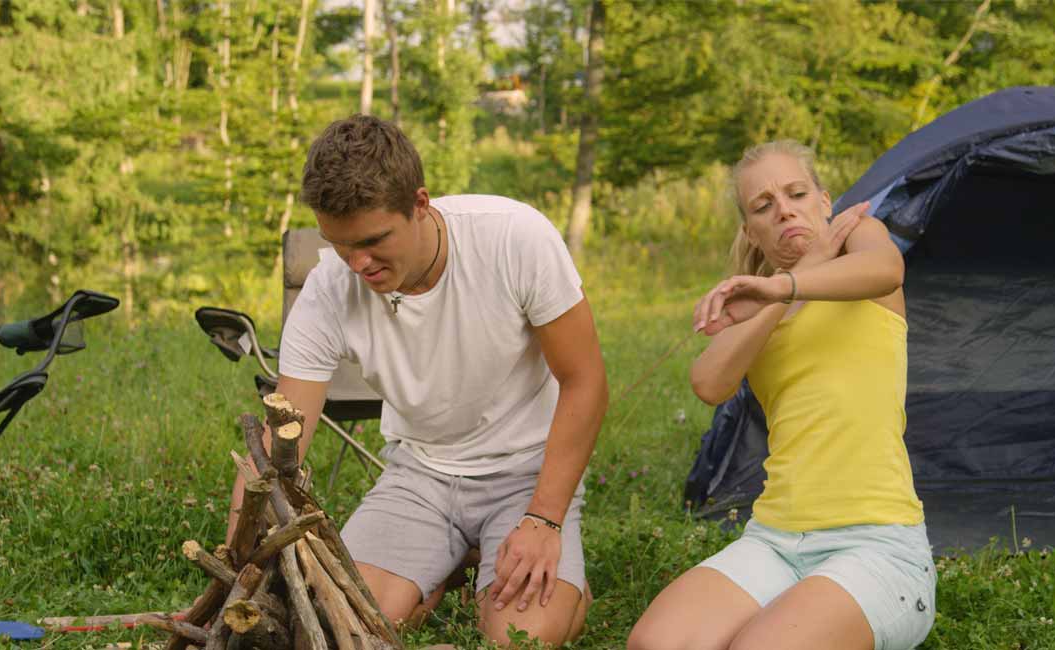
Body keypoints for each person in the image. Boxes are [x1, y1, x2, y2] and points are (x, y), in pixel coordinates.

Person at [228, 115, 608, 646]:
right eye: (340, 245)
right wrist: (236, 565)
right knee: (349, 627)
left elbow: (586, 380)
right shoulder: (329, 289)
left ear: (421, 204)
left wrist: (544, 519)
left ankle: (555, 575)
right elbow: (279, 437)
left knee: (520, 639)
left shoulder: (514, 237)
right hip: (421, 477)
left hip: (528, 472)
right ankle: (445, 566)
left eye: (373, 240)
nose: (358, 263)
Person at [628, 141, 935, 650]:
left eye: (796, 193)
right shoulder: (763, 301)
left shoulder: (862, 242)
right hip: (775, 541)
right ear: (751, 230)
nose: (784, 208)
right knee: (655, 644)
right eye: (763, 205)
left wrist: (790, 281)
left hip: (877, 545)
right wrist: (775, 293)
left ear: (824, 201)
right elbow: (709, 382)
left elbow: (888, 270)